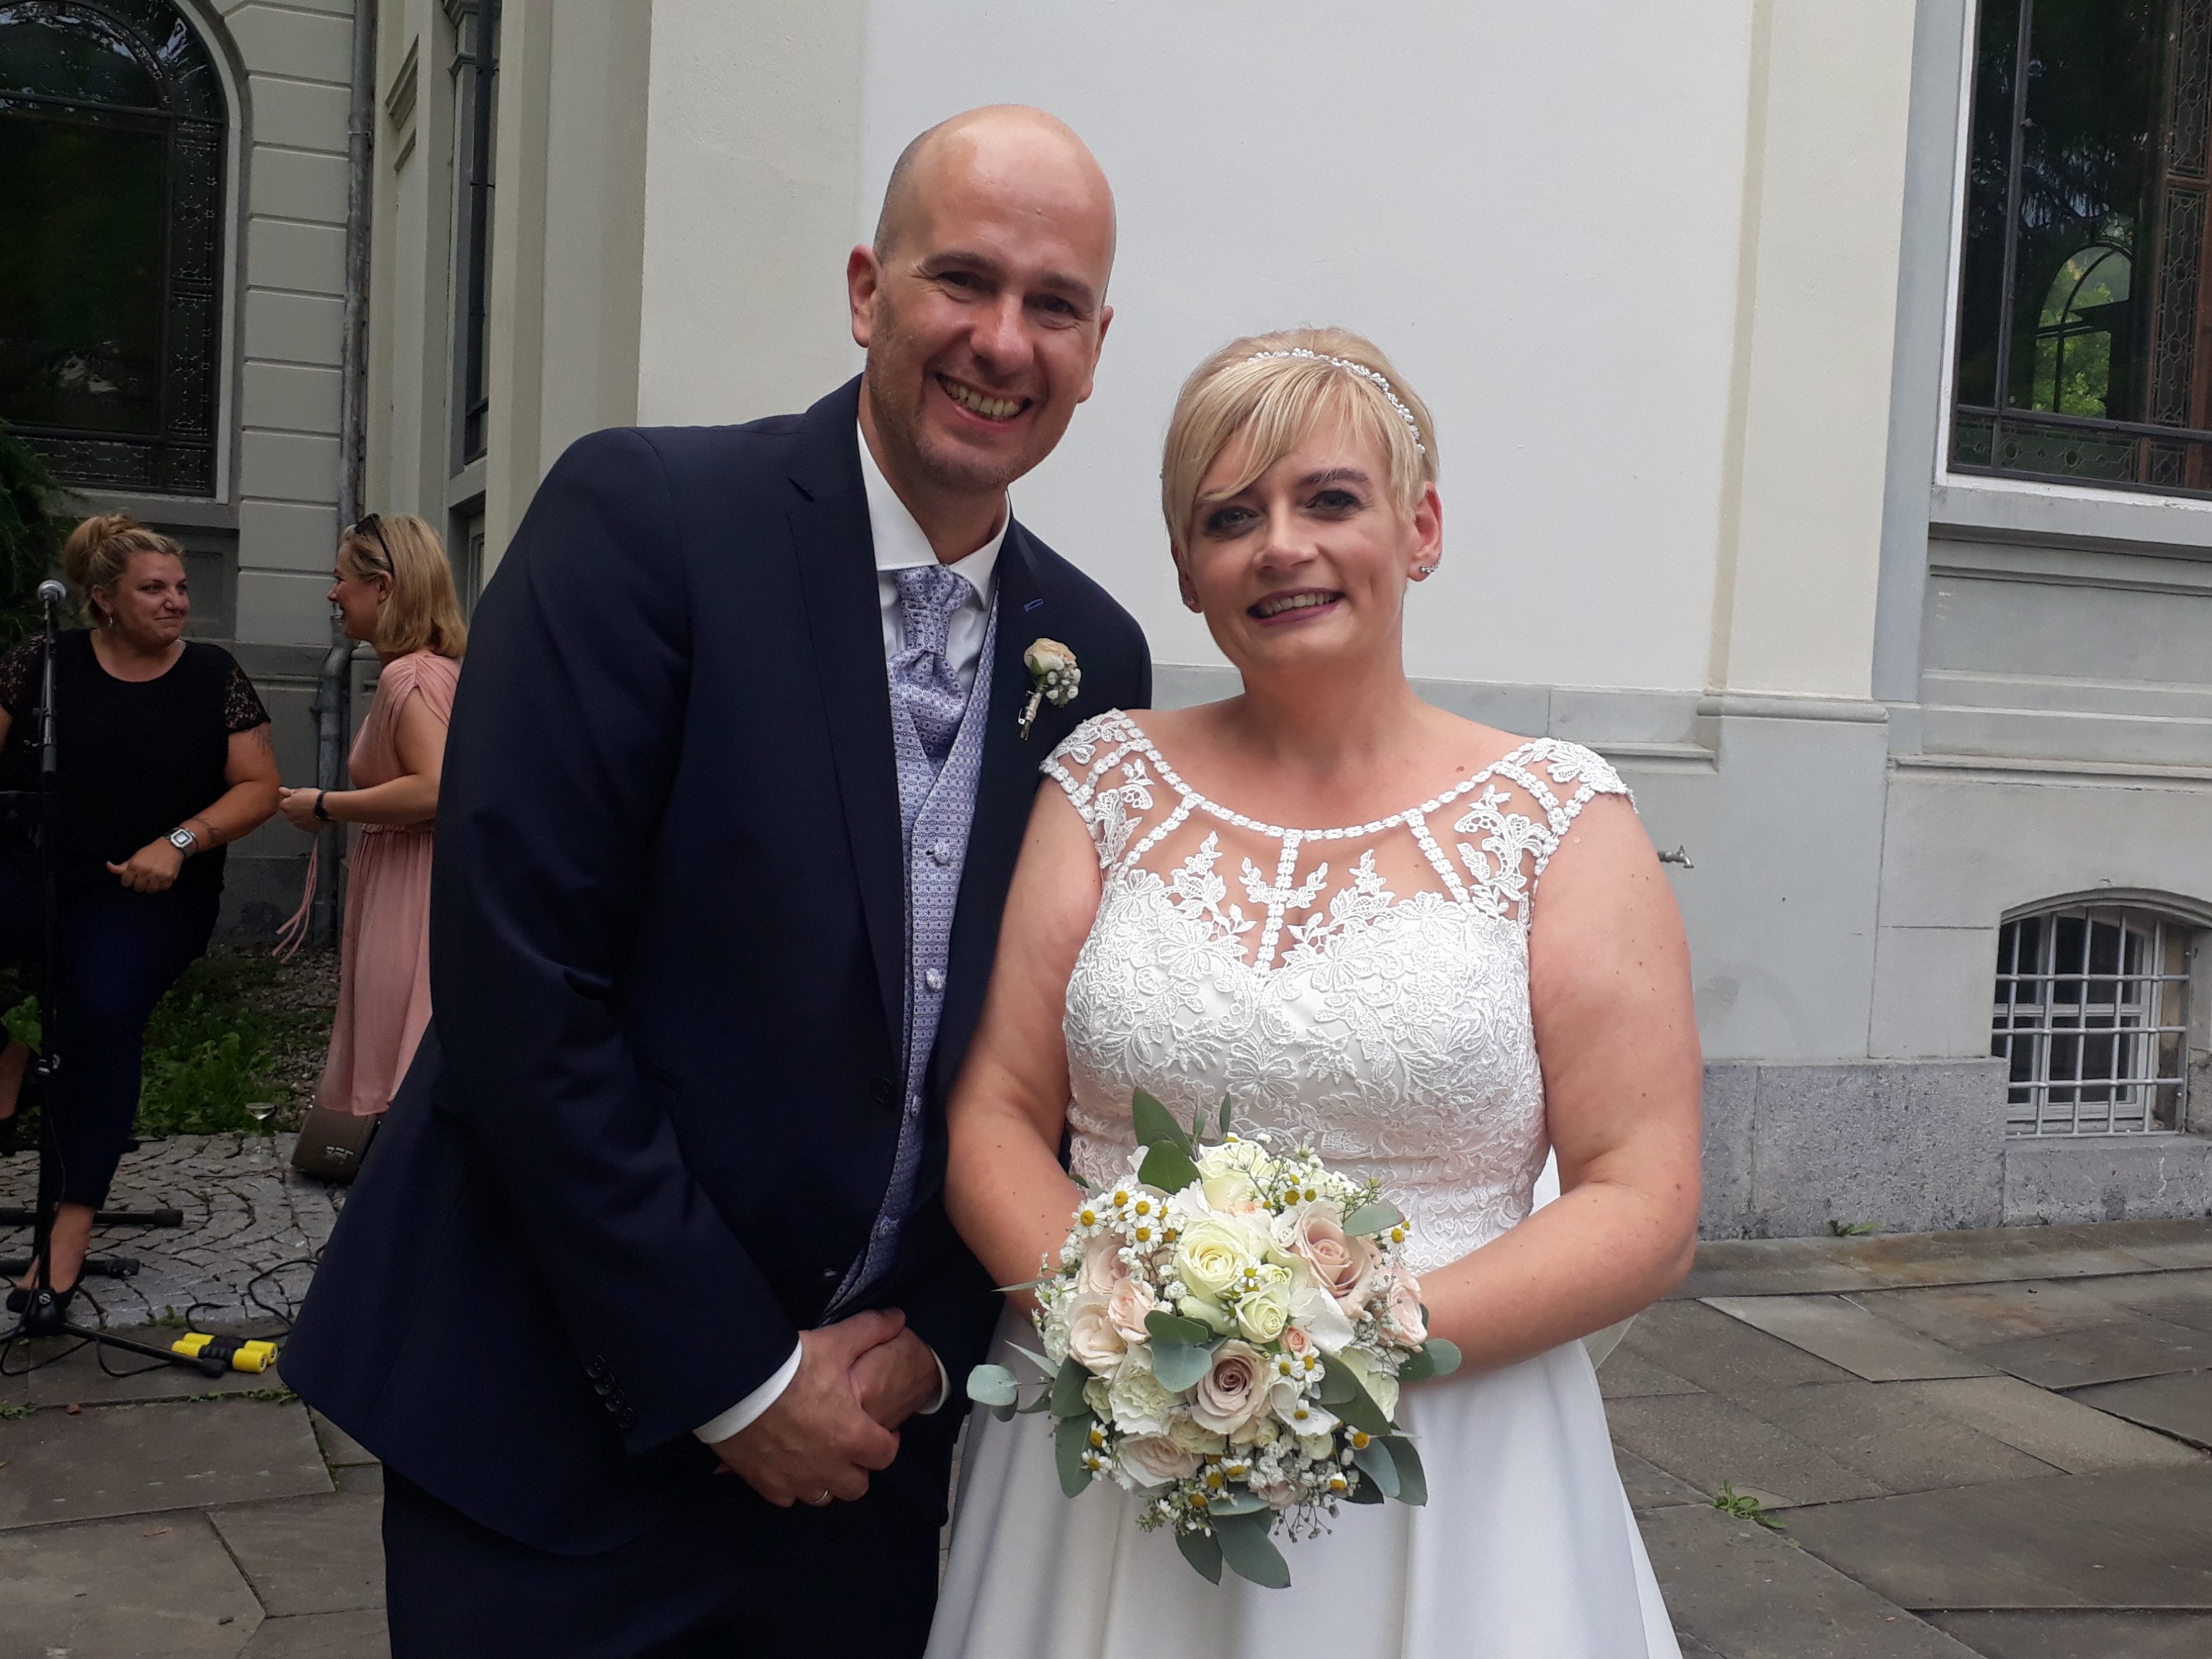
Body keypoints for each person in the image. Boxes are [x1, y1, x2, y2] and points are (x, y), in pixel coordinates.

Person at [280, 106, 1150, 1657]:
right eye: (963, 281)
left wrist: (933, 1355)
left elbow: (1040, 1065)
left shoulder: (1094, 658)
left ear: (1095, 346)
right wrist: (738, 1379)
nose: (1003, 342)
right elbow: (520, 986)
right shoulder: (648, 525)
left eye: (1055, 304)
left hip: (866, 1465)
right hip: (558, 1424)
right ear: (866, 289)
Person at [930, 330, 1702, 1658]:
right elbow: (998, 1107)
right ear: (1187, 569)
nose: (1279, 545)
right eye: (1229, 517)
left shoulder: (1559, 818)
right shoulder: (1103, 783)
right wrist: (1125, 1331)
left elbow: (1643, 1195)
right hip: (1114, 1450)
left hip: (1456, 1470)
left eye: (1327, 499)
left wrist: (1328, 1354)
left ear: (1421, 526)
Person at [0, 514, 279, 1328]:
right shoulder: (41, 665)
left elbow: (258, 787)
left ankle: (68, 1231)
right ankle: (8, 1055)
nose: (176, 603)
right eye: (155, 588)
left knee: (102, 1012)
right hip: (30, 871)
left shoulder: (212, 676)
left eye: (181, 587)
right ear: (103, 601)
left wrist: (180, 841)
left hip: (147, 891)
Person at [276, 514, 464, 1123]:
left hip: (412, 880)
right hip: (428, 873)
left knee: (404, 1039)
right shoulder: (444, 668)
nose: (333, 595)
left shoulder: (407, 674)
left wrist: (326, 805)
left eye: (341, 581)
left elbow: (435, 788)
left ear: (383, 588)